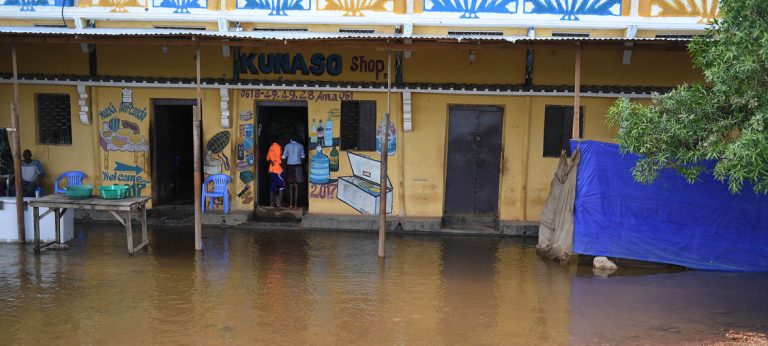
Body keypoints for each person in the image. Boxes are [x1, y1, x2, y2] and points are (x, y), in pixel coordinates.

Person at [282, 137, 306, 209]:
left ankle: (290, 204)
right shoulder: (301, 146)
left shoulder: (287, 146)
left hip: (289, 166)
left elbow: (283, 157)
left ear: (291, 139)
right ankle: (295, 205)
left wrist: (285, 165)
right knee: (296, 186)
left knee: (290, 186)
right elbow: (303, 157)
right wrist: (300, 165)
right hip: (298, 166)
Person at [266, 135, 285, 207]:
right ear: (279, 140)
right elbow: (279, 159)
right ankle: (279, 203)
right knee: (281, 186)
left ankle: (271, 203)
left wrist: (271, 161)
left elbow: (267, 158)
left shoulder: (270, 147)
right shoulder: (278, 147)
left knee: (272, 187)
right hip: (278, 170)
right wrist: (284, 167)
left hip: (271, 170)